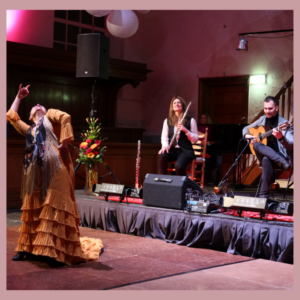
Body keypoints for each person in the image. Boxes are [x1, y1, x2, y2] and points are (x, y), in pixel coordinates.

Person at [7, 84, 103, 265]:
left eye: (40, 106)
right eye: (35, 107)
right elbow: (12, 117)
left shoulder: (50, 117)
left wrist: (65, 142)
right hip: (35, 173)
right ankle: (27, 248)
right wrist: (19, 98)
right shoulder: (29, 130)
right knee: (33, 208)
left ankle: (56, 251)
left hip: (57, 170)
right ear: (30, 116)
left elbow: (66, 117)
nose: (37, 105)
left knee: (55, 206)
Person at [243, 96, 293, 198]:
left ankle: (263, 197)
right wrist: (246, 136)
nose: (267, 111)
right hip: (281, 162)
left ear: (276, 108)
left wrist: (281, 138)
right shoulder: (262, 119)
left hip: (280, 156)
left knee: (266, 159)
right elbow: (246, 128)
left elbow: (292, 144)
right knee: (256, 144)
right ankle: (283, 163)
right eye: (265, 108)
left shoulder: (284, 124)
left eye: (270, 108)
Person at [158, 96, 199, 175]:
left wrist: (186, 131)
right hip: (173, 150)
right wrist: (165, 146)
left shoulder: (191, 120)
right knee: (162, 155)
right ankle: (162, 181)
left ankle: (183, 185)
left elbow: (196, 139)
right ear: (172, 107)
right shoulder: (167, 121)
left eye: (179, 102)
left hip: (185, 151)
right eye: (174, 103)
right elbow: (164, 137)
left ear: (182, 105)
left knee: (178, 166)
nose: (176, 104)